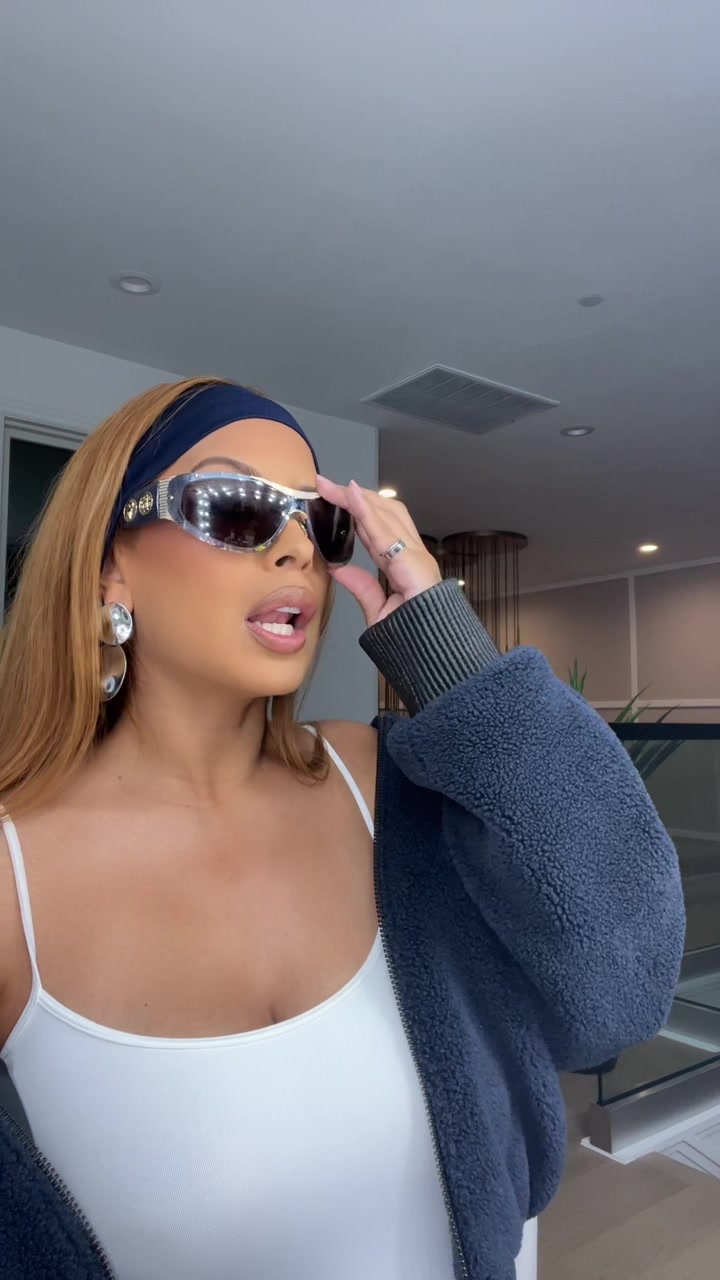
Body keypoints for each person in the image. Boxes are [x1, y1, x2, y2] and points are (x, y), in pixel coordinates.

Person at [0, 377, 684, 1280]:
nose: (296, 549)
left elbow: (621, 988)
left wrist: (453, 663)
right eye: (236, 507)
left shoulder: (381, 784)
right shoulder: (13, 875)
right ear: (109, 567)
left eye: (318, 524)